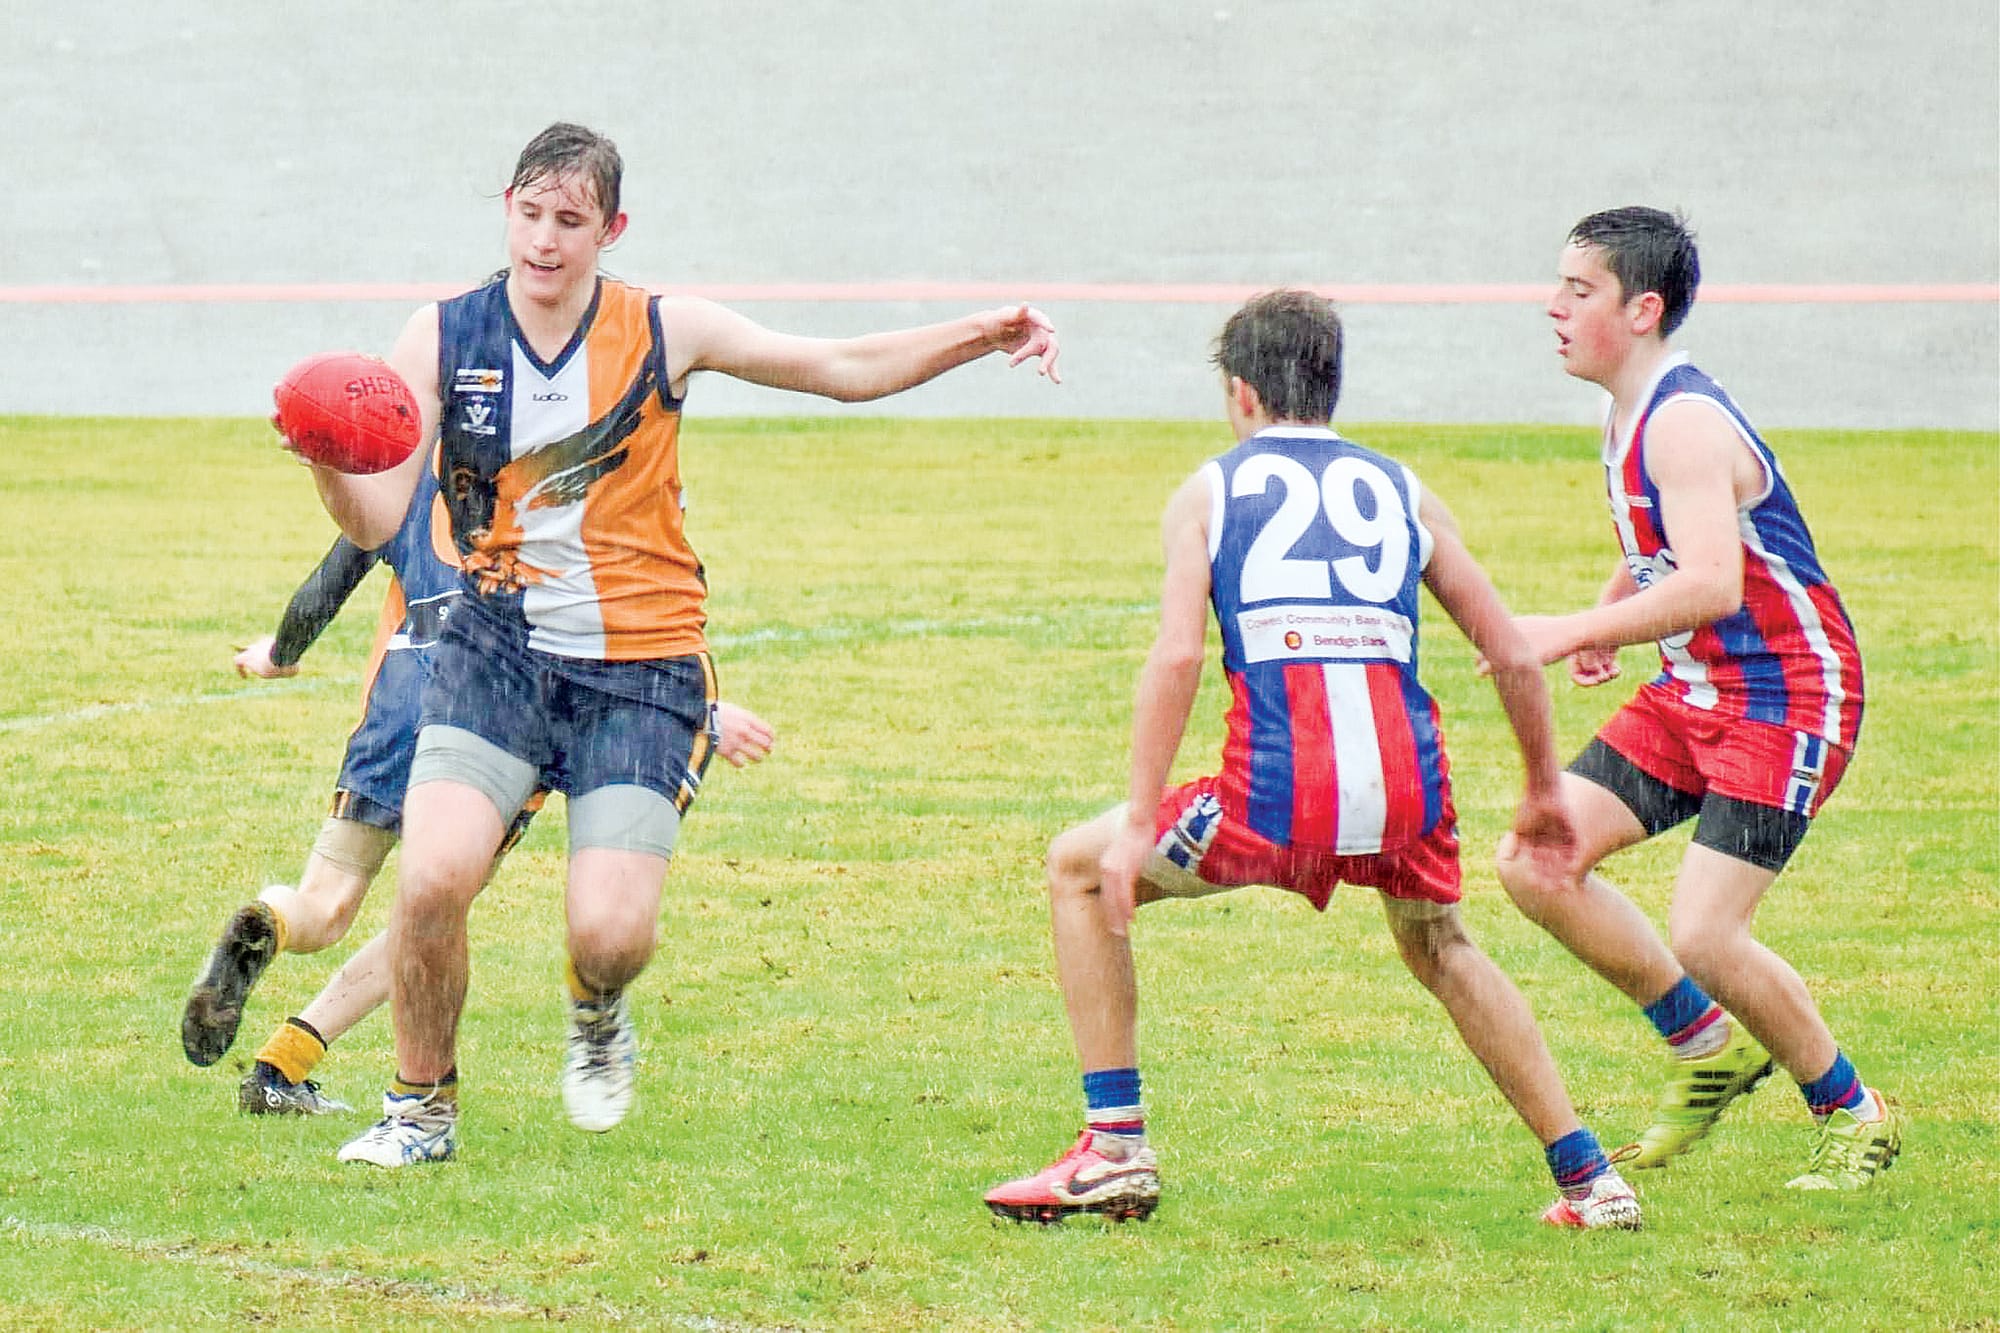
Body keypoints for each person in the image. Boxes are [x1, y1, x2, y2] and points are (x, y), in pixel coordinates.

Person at [291, 122, 1061, 1168]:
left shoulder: (664, 327)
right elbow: (379, 515)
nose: (546, 240)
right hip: (491, 659)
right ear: (505, 209)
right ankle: (419, 1111)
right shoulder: (439, 337)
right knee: (430, 882)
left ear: (611, 228)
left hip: (638, 669)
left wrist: (976, 334)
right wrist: (324, 456)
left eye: (571, 221)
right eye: (530, 214)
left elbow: (837, 366)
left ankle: (595, 1004)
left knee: (609, 936)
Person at [984, 289, 1642, 1230]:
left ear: (1241, 392)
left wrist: (1138, 823)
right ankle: (1592, 1181)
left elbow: (1177, 656)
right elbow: (1507, 651)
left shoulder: (1211, 489)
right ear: (1331, 387)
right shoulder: (1405, 488)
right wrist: (1542, 786)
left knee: (1078, 870)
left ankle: (1115, 1149)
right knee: (1441, 944)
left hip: (1282, 794)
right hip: (1411, 790)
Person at [1492, 206, 1897, 1191]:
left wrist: (1571, 631)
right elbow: (1675, 548)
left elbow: (1714, 581)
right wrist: (1615, 596)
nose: (1550, 308)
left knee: (1706, 934)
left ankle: (1854, 1114)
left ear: (1641, 309)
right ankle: (1707, 1047)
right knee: (1536, 861)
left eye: (1575, 291)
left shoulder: (1679, 420)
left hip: (1786, 697)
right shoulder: (1628, 410)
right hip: (1697, 690)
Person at [183, 464, 774, 1114]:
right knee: (430, 916)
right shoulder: (538, 498)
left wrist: (279, 653)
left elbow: (326, 583)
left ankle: (272, 933)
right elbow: (603, 636)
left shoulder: (399, 490)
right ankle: (300, 1061)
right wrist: (695, 712)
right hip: (480, 725)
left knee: (324, 906)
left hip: (391, 717)